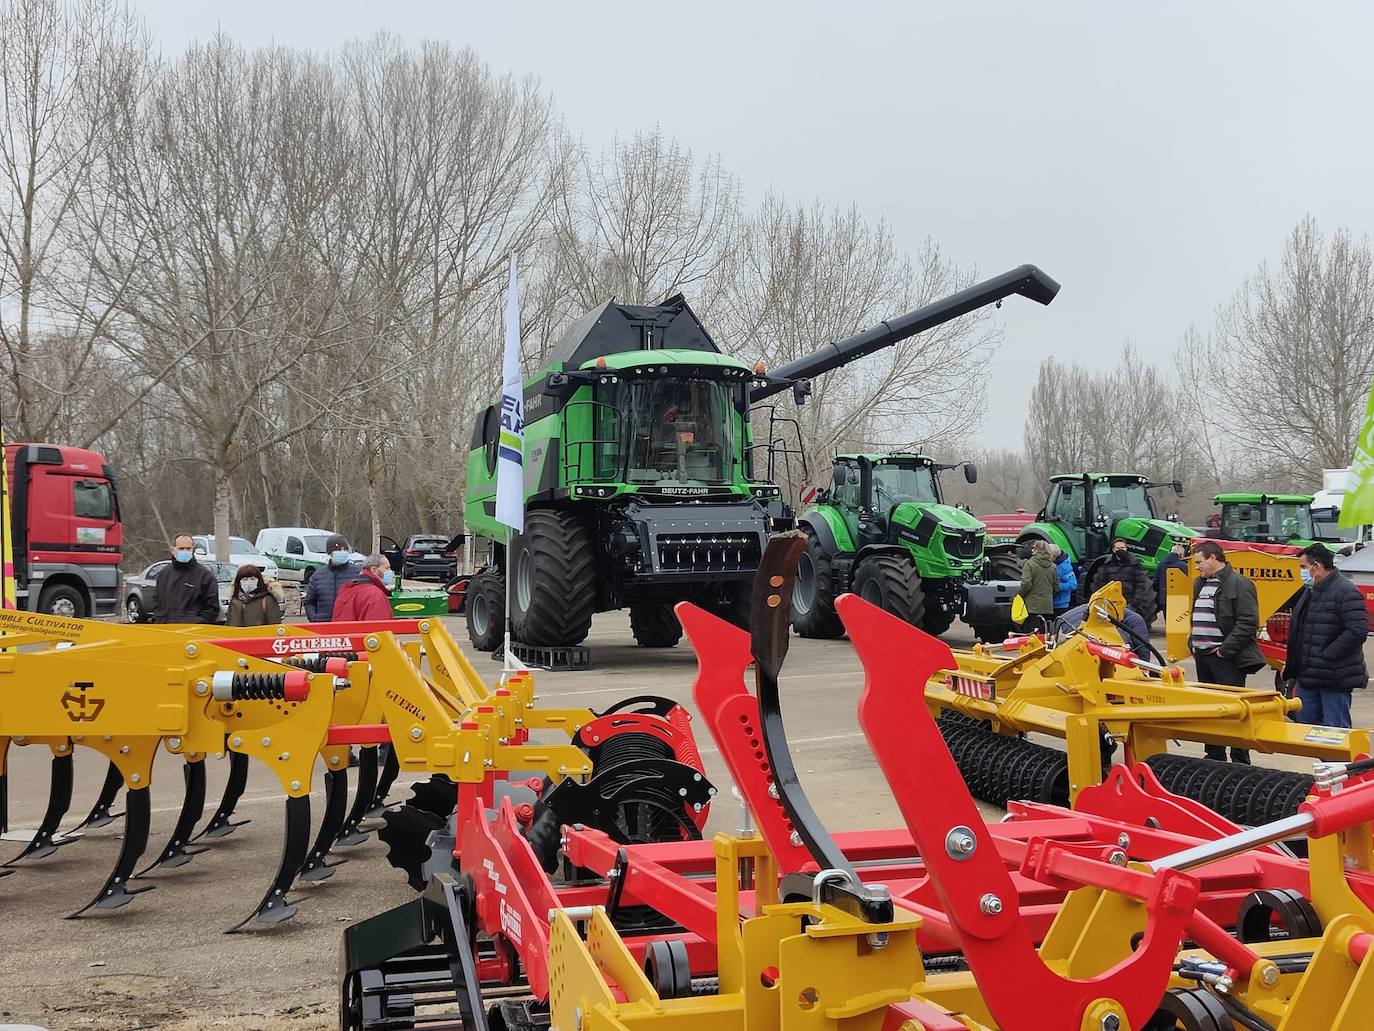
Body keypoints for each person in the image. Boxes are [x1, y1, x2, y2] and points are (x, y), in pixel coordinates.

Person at [1188, 539, 1265, 763]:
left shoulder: (1240, 584)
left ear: (1214, 558)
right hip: (1203, 658)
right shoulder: (1199, 584)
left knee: (1233, 711)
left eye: (1200, 562)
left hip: (1225, 660)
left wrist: (1225, 650)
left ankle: (1240, 759)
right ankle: (1214, 756)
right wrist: (1193, 642)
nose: (1197, 567)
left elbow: (1249, 621)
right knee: (1210, 711)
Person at [1285, 543, 1369, 729]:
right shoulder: (1310, 591)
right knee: (1308, 727)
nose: (1302, 573)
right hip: (1308, 675)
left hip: (1335, 677)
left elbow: (1357, 631)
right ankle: (1322, 759)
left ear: (1316, 566)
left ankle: (1339, 760)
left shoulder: (1346, 592)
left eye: (1303, 567)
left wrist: (1326, 655)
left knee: (1335, 730)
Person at [153, 532, 221, 624]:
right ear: (173, 550)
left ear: (193, 549)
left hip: (191, 631)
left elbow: (212, 609)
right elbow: (157, 603)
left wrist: (196, 623)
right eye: (181, 548)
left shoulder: (205, 576)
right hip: (166, 629)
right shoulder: (164, 574)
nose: (185, 551)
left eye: (188, 548)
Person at [1086, 538, 1157, 619]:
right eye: (1118, 548)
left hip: (1130, 602)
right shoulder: (1107, 565)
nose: (1121, 550)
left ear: (1126, 548)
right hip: (1112, 602)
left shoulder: (1134, 563)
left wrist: (1134, 603)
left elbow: (1141, 584)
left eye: (1122, 548)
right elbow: (1100, 585)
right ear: (1113, 550)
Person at [1056, 601, 1151, 660]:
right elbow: (1141, 644)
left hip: (1065, 628)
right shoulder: (1133, 622)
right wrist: (1144, 662)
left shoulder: (1087, 609)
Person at [303, 534, 358, 622]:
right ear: (330, 553)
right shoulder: (317, 576)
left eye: (345, 549)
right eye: (338, 550)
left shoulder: (357, 574)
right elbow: (309, 602)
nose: (342, 552)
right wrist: (314, 618)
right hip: (323, 627)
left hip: (348, 626)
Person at [332, 554, 396, 622]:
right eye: (387, 568)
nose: (391, 572)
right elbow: (379, 628)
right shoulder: (374, 595)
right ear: (374, 570)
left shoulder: (347, 590)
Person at [1017, 539, 1058, 633]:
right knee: (1046, 634)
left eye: (1033, 548)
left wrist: (1021, 594)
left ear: (1037, 550)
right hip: (1048, 606)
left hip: (1032, 606)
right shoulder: (1053, 566)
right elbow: (1056, 586)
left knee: (1032, 634)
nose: (1032, 550)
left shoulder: (1030, 564)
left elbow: (1026, 583)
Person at [1050, 543, 1077, 617]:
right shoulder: (1051, 564)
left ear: (1054, 556)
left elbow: (1073, 584)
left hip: (1061, 604)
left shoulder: (1065, 567)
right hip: (1051, 602)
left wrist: (1056, 586)